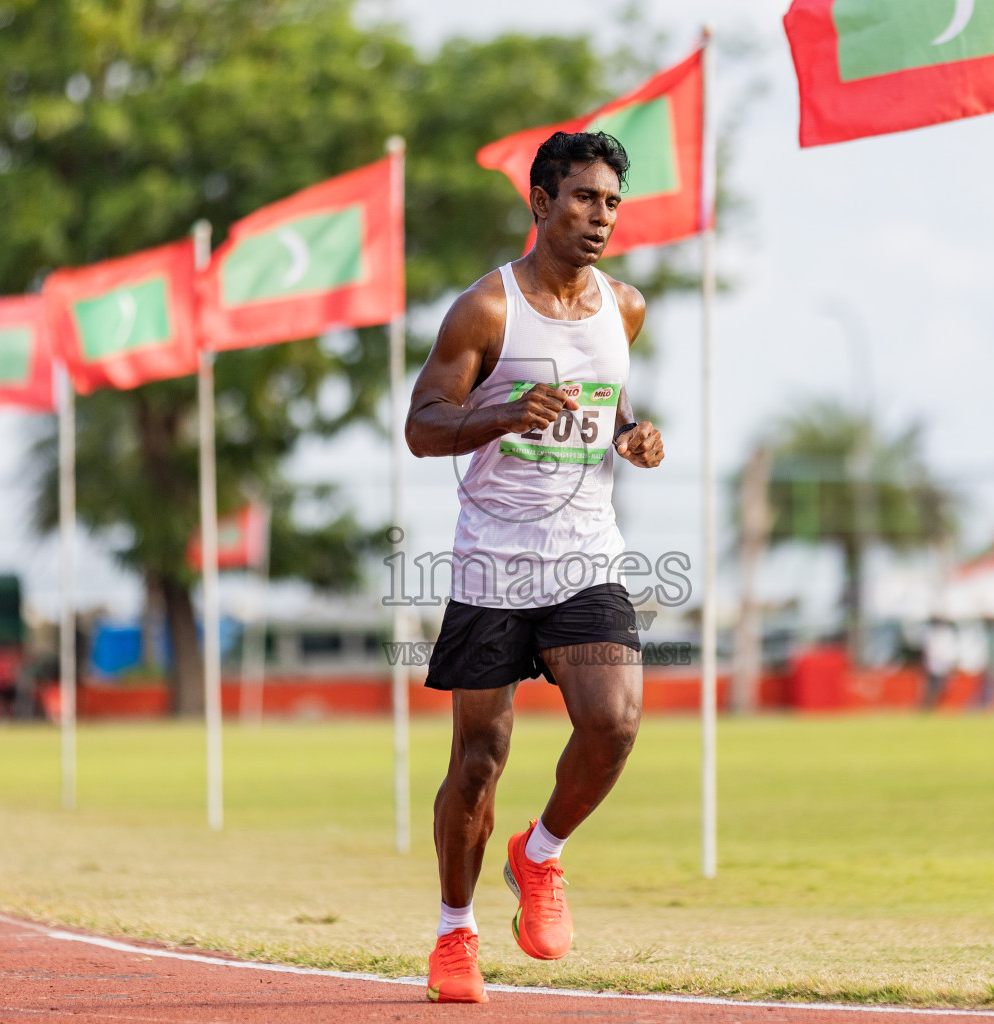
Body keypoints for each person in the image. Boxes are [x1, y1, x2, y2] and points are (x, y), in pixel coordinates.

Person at [404, 130, 664, 1004]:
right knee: (480, 759)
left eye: (613, 202)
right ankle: (454, 933)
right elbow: (422, 428)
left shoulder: (624, 307)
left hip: (587, 554)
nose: (602, 216)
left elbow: (609, 391)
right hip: (493, 567)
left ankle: (540, 855)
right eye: (586, 198)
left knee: (615, 722)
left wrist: (633, 432)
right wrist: (504, 412)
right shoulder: (485, 310)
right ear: (541, 203)